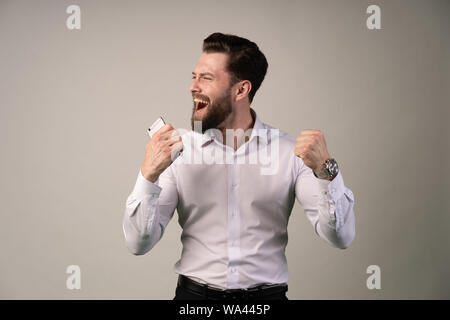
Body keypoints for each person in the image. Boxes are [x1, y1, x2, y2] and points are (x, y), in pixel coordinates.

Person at [123, 32, 355, 300]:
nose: (192, 87)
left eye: (206, 78)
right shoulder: (177, 152)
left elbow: (341, 237)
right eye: (194, 76)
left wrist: (325, 171)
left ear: (241, 89)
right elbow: (138, 244)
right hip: (195, 300)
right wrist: (148, 175)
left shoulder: (290, 153)